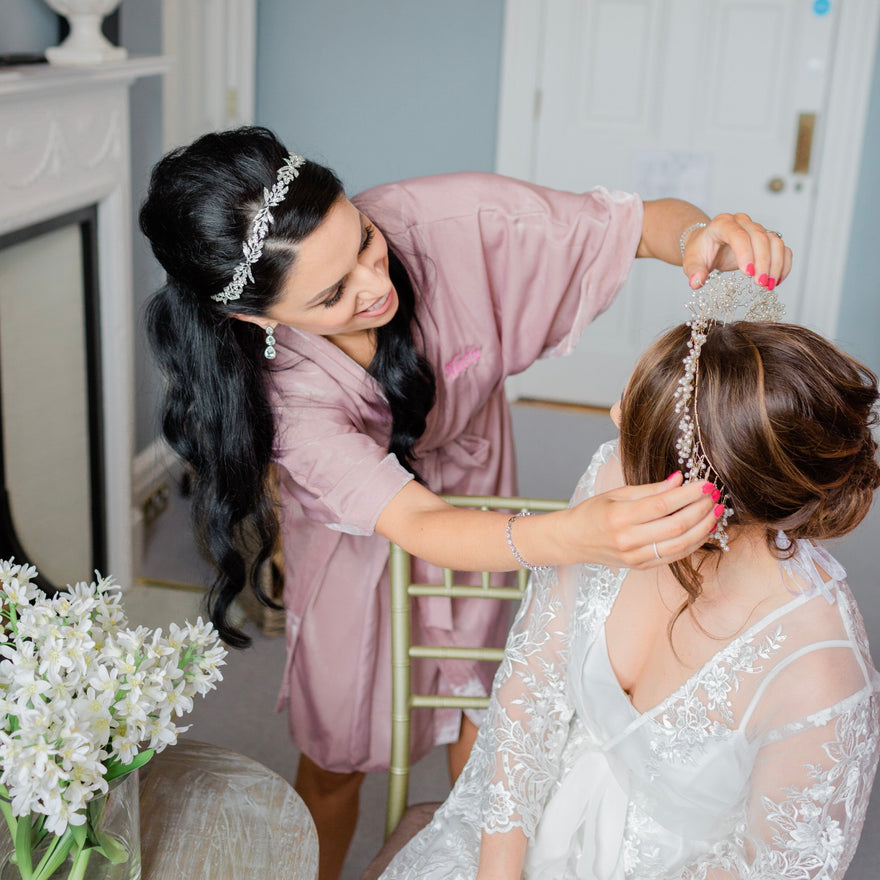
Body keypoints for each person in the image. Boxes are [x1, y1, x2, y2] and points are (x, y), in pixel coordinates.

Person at [139, 126, 792, 879]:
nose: (373, 285)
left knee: (485, 714)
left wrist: (708, 234)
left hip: (483, 505)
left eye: (362, 240)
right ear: (256, 320)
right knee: (334, 757)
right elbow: (415, 521)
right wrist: (578, 535)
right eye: (331, 295)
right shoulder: (285, 397)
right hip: (354, 552)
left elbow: (644, 224)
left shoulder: (451, 222)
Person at [377, 276, 880, 880]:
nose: (614, 416)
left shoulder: (821, 676)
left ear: (698, 500)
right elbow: (530, 697)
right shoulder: (614, 485)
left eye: (632, 426)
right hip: (528, 824)